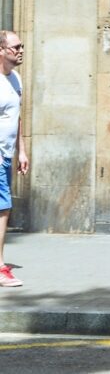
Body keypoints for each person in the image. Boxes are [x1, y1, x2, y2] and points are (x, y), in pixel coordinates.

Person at [0, 30, 27, 288]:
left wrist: (22, 150)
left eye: (21, 47)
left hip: (7, 155)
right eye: (15, 47)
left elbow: (16, 118)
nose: (19, 51)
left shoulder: (16, 79)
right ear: (1, 51)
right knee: (3, 208)